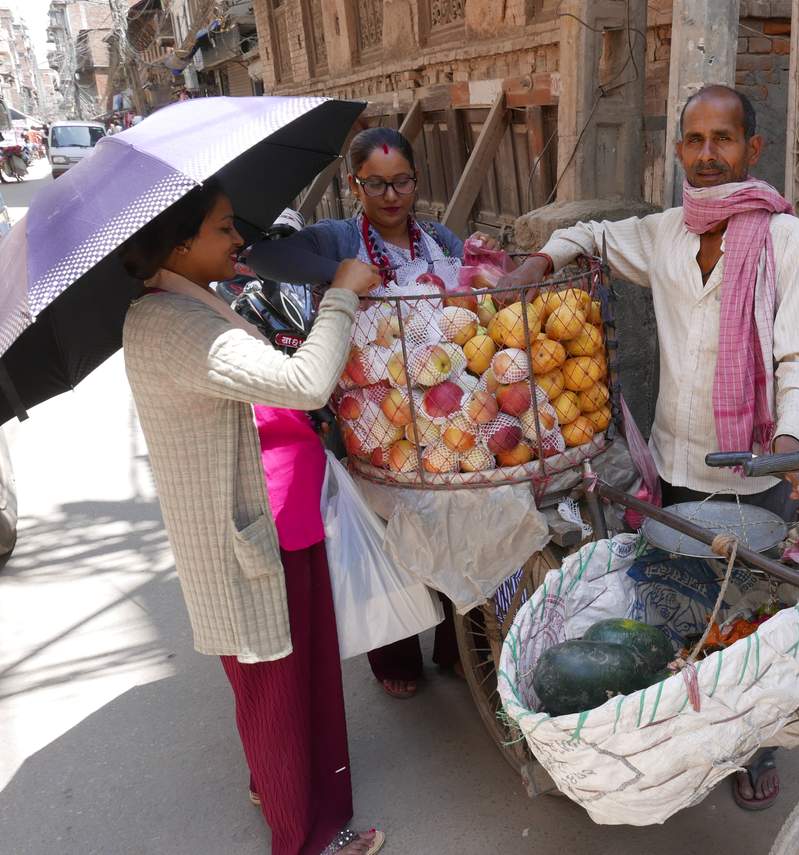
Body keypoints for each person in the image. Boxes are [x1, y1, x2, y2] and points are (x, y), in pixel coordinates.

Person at [497, 84, 799, 811]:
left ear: (753, 149)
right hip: (679, 470)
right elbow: (596, 235)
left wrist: (787, 440)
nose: (708, 155)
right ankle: (684, 749)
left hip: (758, 472)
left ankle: (756, 747)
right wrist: (538, 266)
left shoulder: (786, 240)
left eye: (724, 139)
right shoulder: (668, 232)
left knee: (755, 633)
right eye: (695, 140)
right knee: (679, 615)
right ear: (677, 149)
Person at [120, 179, 386, 855]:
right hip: (253, 541)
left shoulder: (192, 302)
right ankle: (308, 838)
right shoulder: (177, 325)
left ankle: (280, 787)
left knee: (286, 687)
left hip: (275, 523)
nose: (239, 238)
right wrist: (344, 293)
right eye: (221, 227)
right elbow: (303, 383)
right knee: (280, 693)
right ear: (178, 243)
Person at [248, 126, 493, 700]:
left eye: (401, 181)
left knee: (455, 527)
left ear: (416, 181)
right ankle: (395, 651)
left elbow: (470, 311)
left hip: (441, 419)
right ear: (355, 185)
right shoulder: (338, 237)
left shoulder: (438, 239)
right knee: (387, 536)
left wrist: (481, 272)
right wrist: (340, 278)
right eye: (375, 184)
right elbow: (266, 256)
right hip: (373, 421)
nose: (391, 196)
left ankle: (458, 648)